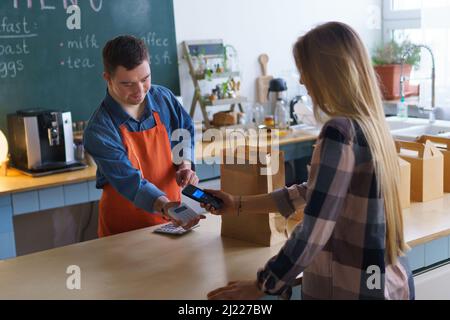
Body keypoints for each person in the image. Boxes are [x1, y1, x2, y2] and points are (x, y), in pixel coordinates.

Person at [202, 22, 414, 300]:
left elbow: (315, 228)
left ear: (327, 72)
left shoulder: (339, 131)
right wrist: (239, 204)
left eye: (305, 70)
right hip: (386, 281)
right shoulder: (372, 124)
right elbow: (314, 193)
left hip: (348, 288)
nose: (302, 81)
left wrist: (262, 285)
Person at [84, 35, 203, 237]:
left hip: (171, 223)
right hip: (124, 233)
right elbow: (130, 182)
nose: (140, 90)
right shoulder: (99, 130)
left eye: (145, 78)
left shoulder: (163, 98)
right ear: (108, 78)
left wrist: (184, 164)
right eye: (127, 84)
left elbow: (183, 130)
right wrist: (167, 207)